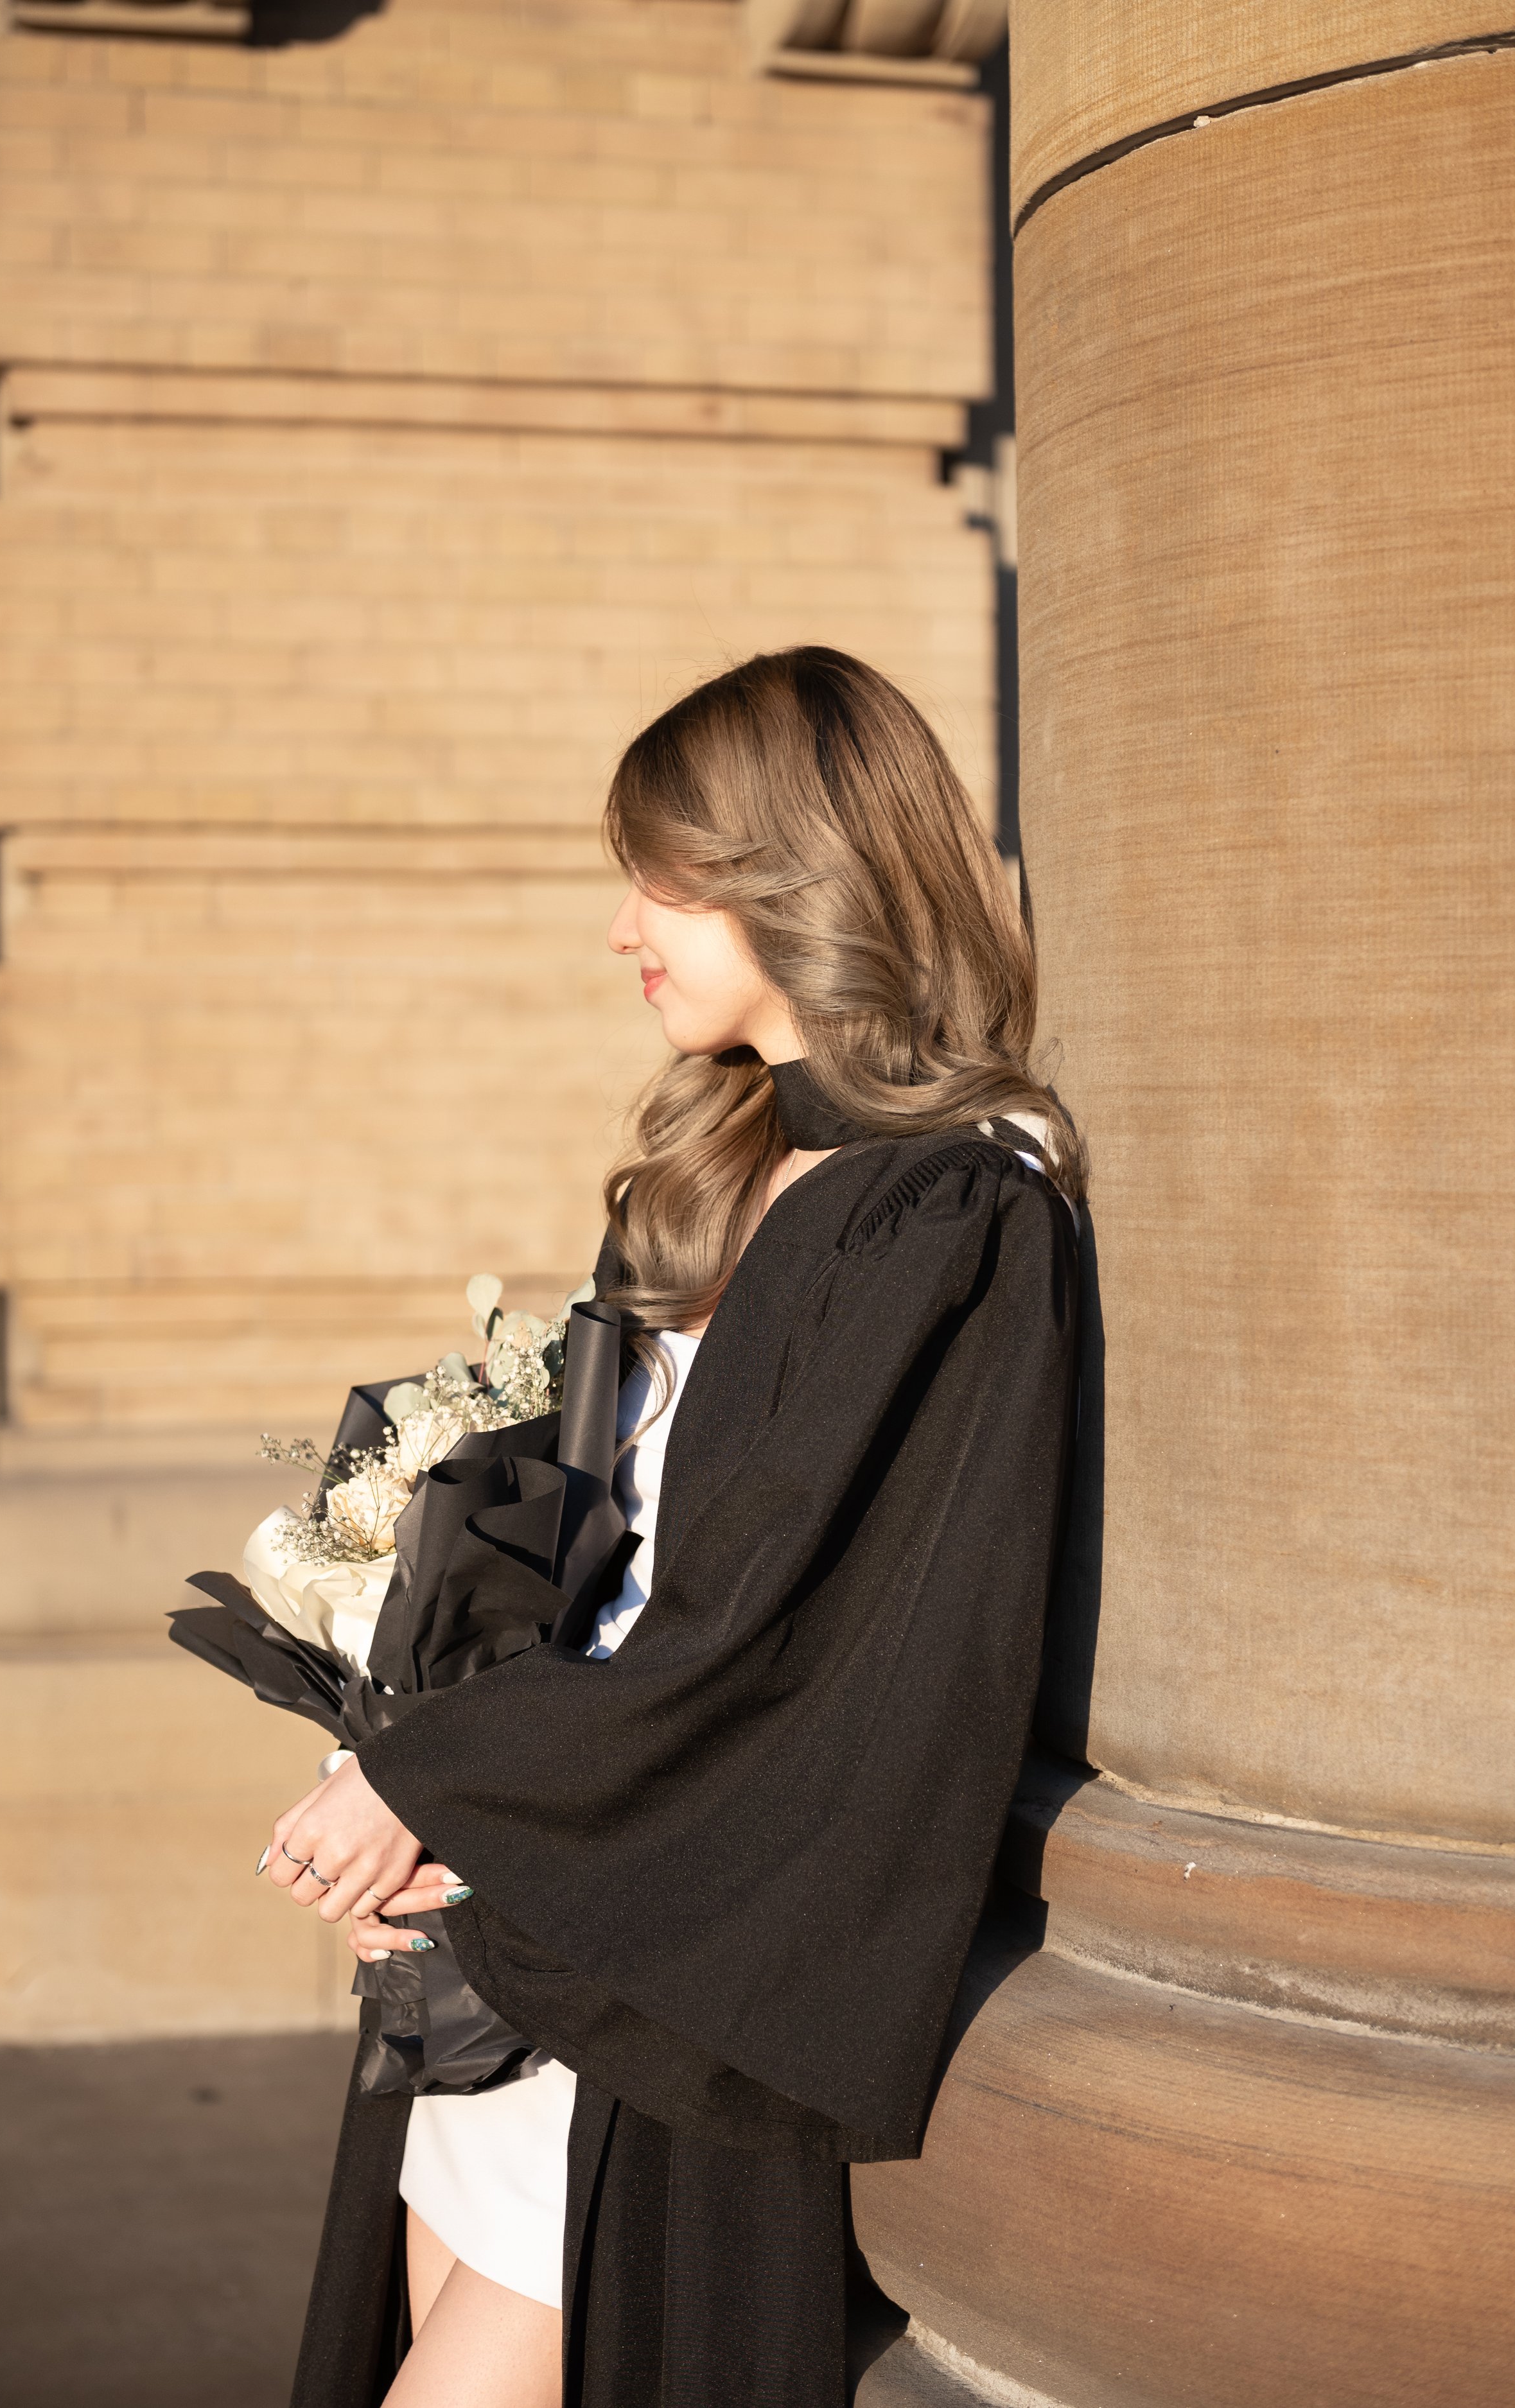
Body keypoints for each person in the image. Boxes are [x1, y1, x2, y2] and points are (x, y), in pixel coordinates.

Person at [261, 647, 1083, 2408]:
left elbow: (778, 1642)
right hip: (539, 1899)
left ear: (800, 878)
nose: (622, 930)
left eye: (665, 881)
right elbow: (603, 1564)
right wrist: (433, 1794)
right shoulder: (737, 1163)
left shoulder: (952, 1208)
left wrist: (436, 1793)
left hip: (667, 1954)